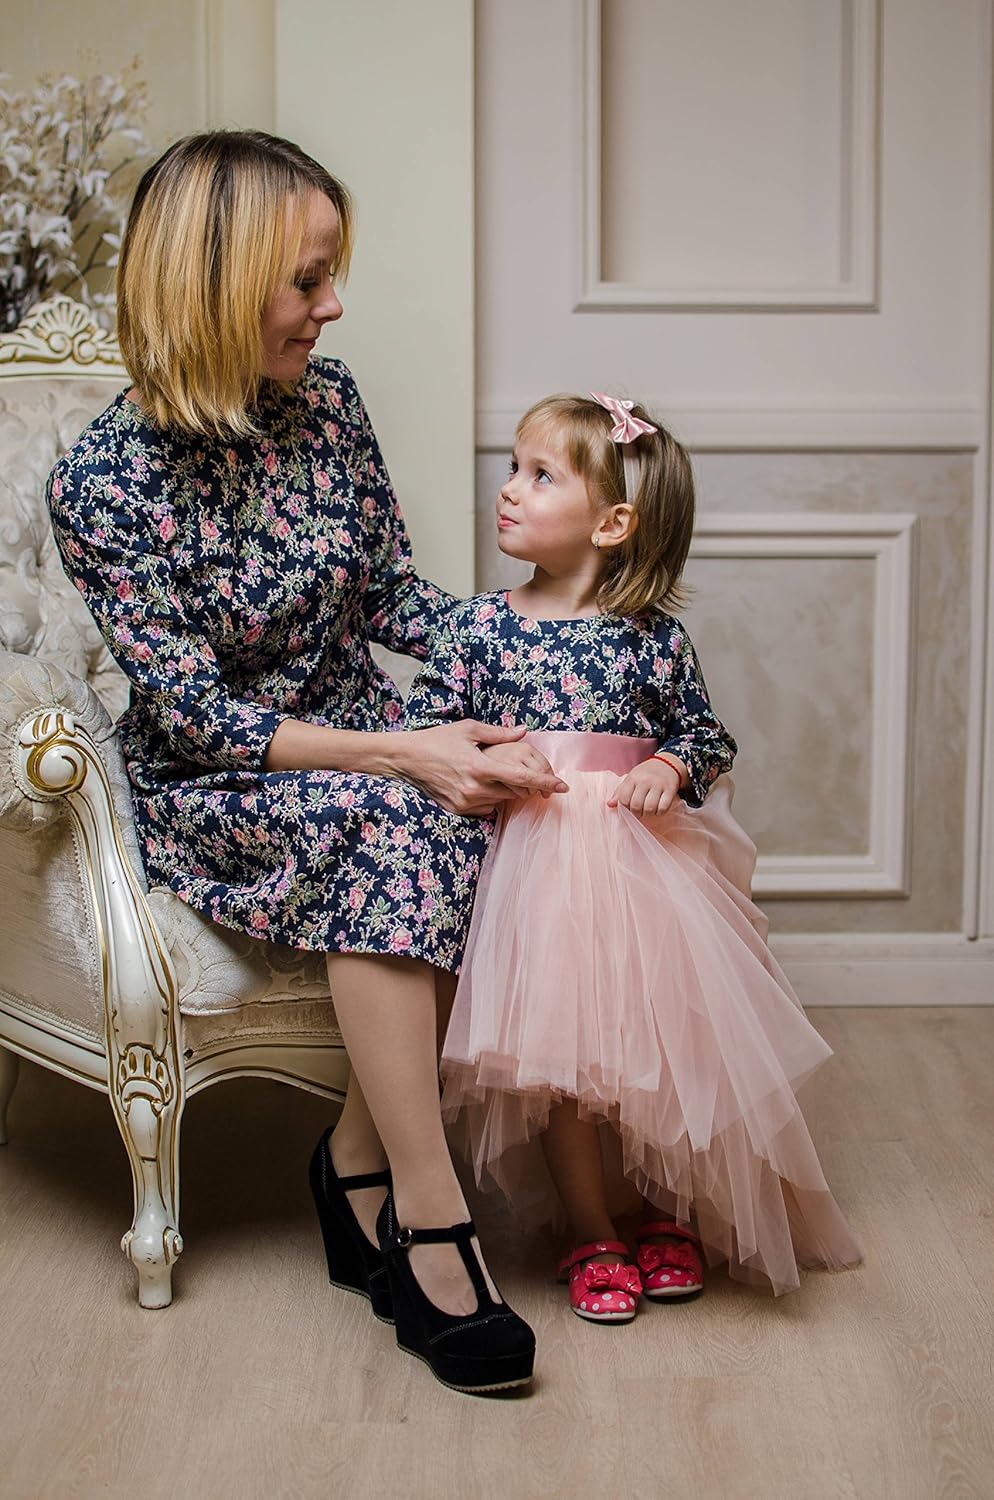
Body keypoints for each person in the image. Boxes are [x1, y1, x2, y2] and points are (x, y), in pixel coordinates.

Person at [46, 130, 562, 1392]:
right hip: (219, 782)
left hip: (347, 730)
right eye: (306, 280)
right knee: (404, 817)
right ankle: (430, 1226)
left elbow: (389, 596)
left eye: (333, 275)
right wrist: (404, 753)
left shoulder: (324, 403)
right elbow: (201, 712)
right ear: (210, 279)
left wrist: (553, 654)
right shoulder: (103, 481)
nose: (333, 308)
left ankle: (350, 1168)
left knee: (500, 792)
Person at [404, 391, 862, 1321]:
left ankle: (659, 1213)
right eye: (511, 469)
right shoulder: (479, 629)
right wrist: (494, 756)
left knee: (654, 1055)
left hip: (641, 874)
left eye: (540, 476)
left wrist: (666, 764)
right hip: (535, 879)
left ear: (613, 523)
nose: (510, 491)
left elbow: (706, 733)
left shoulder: (652, 641)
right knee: (568, 1073)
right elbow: (436, 735)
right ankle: (591, 1230)